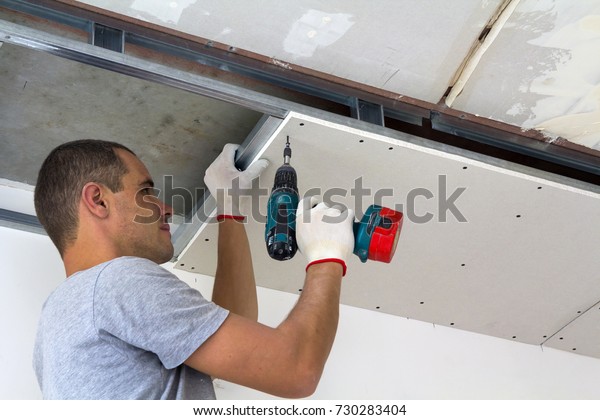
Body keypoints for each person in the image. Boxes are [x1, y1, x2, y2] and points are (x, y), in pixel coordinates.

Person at [32, 139, 354, 399]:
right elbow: (294, 371)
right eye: (146, 192)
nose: (167, 209)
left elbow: (233, 338)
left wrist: (229, 209)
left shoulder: (60, 318)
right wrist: (327, 256)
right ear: (98, 201)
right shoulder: (118, 281)